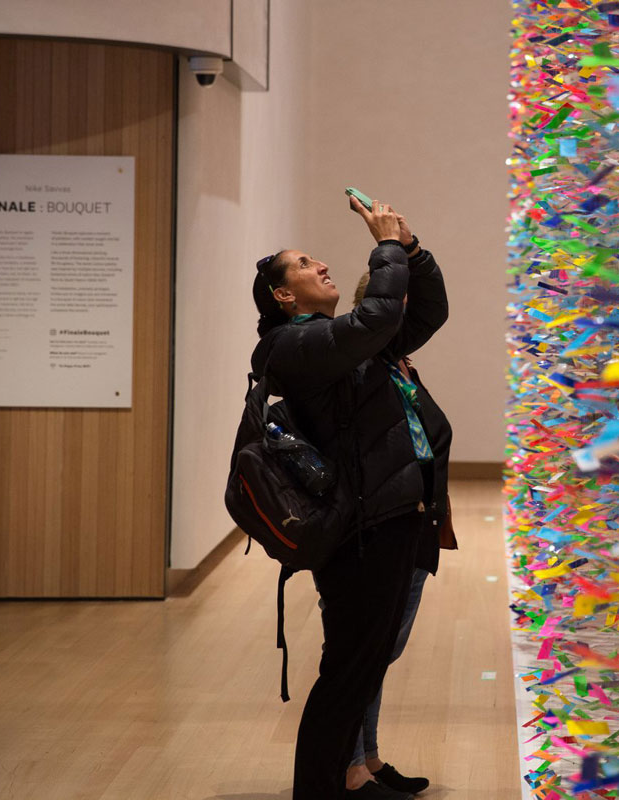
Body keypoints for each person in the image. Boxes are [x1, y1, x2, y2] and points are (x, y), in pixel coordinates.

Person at [250, 196, 452, 800]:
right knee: (345, 676)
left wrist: (411, 250)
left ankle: (349, 774)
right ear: (284, 296)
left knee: (361, 667)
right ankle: (323, 786)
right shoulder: (293, 345)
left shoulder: (340, 342)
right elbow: (375, 320)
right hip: (356, 533)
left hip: (387, 522)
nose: (321, 266)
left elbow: (425, 313)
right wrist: (385, 249)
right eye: (305, 264)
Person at [327, 272, 457, 794]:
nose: (409, 315)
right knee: (365, 653)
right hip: (376, 530)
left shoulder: (400, 365)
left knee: (382, 653)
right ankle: (353, 768)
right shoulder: (354, 362)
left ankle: (370, 758)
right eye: (398, 304)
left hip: (413, 526)